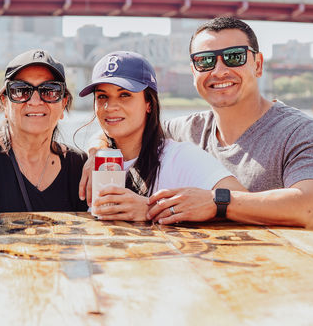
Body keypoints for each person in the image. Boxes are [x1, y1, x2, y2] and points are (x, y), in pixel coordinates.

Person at [80, 17, 313, 230]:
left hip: (282, 273)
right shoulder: (184, 131)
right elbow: (128, 128)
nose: (219, 70)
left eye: (234, 57)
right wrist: (98, 151)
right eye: (205, 60)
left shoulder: (301, 132)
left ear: (258, 65)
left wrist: (216, 202)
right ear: (194, 72)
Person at [79, 51, 246, 221]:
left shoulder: (180, 158)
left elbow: (244, 201)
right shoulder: (93, 162)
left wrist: (152, 210)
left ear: (149, 103)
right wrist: (95, 153)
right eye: (102, 96)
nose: (110, 106)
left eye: (124, 95)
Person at [0, 49, 88, 212]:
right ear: (4, 104)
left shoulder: (78, 165)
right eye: (21, 90)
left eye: (50, 90)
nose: (35, 101)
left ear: (63, 103)